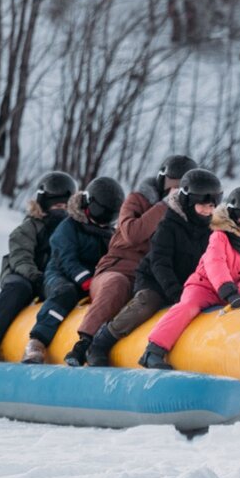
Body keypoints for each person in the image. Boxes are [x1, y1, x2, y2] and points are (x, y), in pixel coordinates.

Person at [64, 154, 197, 365]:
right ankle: (84, 343)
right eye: (173, 187)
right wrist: (164, 206)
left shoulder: (188, 215)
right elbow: (133, 234)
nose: (175, 193)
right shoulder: (137, 201)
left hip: (150, 277)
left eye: (182, 189)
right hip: (115, 271)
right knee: (117, 284)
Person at [82, 169, 221, 366]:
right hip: (155, 280)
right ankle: (101, 342)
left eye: (211, 206)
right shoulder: (168, 225)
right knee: (146, 303)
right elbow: (160, 263)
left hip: (187, 284)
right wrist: (174, 291)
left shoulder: (210, 230)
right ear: (189, 202)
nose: (208, 211)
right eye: (203, 206)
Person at [139, 185, 240, 370]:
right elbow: (216, 263)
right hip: (203, 287)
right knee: (186, 307)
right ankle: (153, 350)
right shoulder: (220, 237)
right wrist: (228, 292)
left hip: (231, 291)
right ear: (234, 216)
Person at [0, 172, 77, 361]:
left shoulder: (73, 231)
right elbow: (20, 258)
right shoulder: (28, 228)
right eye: (56, 205)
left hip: (51, 278)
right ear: (44, 204)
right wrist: (35, 275)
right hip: (24, 275)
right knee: (19, 288)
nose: (60, 210)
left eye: (64, 206)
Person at [22, 176, 125, 364]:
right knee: (65, 292)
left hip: (92, 280)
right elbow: (66, 258)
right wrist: (85, 279)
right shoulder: (68, 227)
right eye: (100, 215)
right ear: (88, 204)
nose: (103, 223)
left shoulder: (110, 234)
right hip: (60, 275)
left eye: (108, 218)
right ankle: (37, 341)